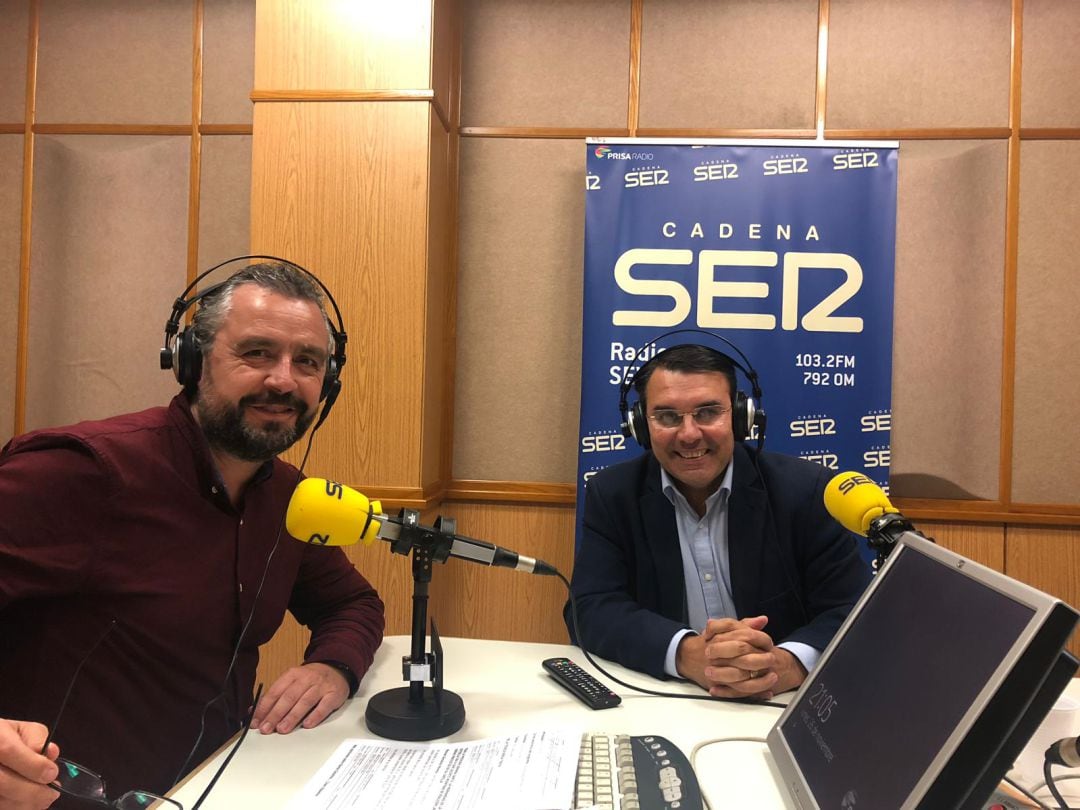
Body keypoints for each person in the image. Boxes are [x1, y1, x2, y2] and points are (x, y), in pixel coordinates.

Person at [0, 261, 385, 807]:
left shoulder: (289, 499)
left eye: (308, 362)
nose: (283, 379)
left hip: (215, 787)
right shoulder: (84, 471)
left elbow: (351, 601)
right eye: (257, 352)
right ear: (191, 361)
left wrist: (334, 666)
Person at [566, 343, 870, 700]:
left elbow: (853, 607)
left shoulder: (807, 491)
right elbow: (590, 608)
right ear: (641, 426)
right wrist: (686, 653)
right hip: (669, 698)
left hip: (783, 703)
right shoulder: (613, 493)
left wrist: (786, 664)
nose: (689, 434)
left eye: (708, 412)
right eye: (666, 416)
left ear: (742, 417)